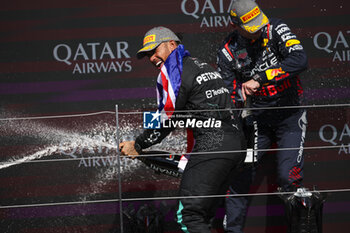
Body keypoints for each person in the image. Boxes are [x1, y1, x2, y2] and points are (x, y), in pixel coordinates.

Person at [119, 26, 246, 233]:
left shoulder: (172, 70)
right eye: (147, 54)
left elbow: (167, 117)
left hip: (212, 146)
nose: (152, 58)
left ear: (172, 44)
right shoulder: (201, 65)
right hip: (235, 145)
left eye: (154, 51)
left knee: (188, 217)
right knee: (203, 218)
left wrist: (138, 144)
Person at [216, 0, 308, 232]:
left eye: (258, 22)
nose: (257, 28)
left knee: (289, 178)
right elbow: (229, 96)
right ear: (235, 24)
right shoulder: (228, 52)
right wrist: (239, 94)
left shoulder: (276, 29)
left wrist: (260, 78)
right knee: (240, 176)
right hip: (256, 120)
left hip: (290, 114)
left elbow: (300, 59)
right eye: (250, 26)